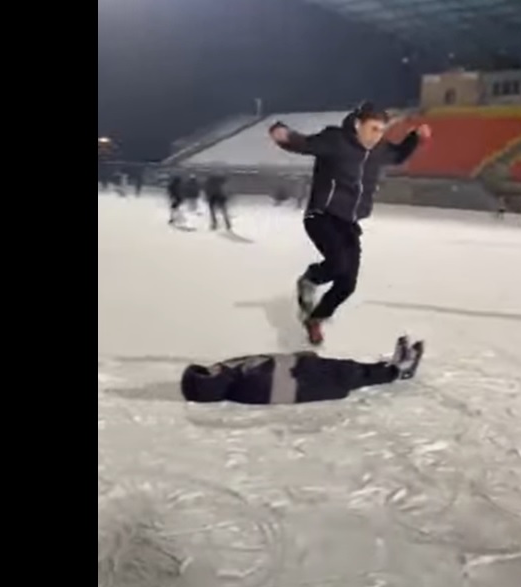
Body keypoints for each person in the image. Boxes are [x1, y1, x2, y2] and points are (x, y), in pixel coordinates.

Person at [269, 103, 432, 345]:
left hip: (349, 222)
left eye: (381, 130)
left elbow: (397, 156)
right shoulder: (336, 140)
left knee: (347, 284)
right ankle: (311, 278)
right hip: (321, 215)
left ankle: (316, 318)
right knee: (338, 264)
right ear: (358, 125)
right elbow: (304, 144)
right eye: (373, 128)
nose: (377, 136)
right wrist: (283, 134)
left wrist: (415, 138)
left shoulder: (379, 149)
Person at [181, 336, 425, 405]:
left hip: (303, 372)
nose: (212, 368)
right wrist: (301, 365)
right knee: (348, 374)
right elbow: (276, 382)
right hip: (307, 380)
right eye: (207, 373)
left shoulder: (233, 375)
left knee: (348, 369)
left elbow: (265, 362)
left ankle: (392, 366)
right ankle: (398, 371)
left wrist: (296, 359)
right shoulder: (242, 387)